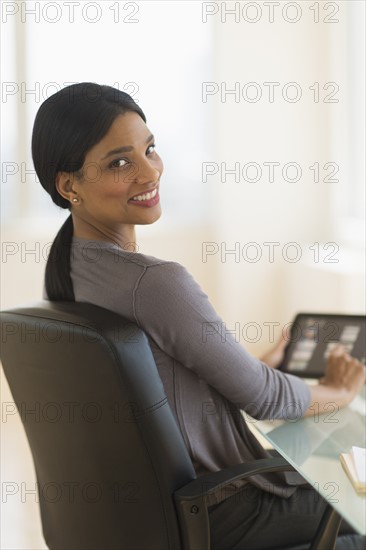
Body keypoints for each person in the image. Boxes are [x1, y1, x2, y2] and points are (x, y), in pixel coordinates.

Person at [32, 83, 365, 549]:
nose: (150, 172)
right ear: (68, 185)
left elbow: (154, 392)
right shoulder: (155, 282)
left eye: (150, 149)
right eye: (120, 162)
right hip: (224, 509)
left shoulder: (69, 271)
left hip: (155, 513)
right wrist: (339, 390)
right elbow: (266, 402)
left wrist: (248, 369)